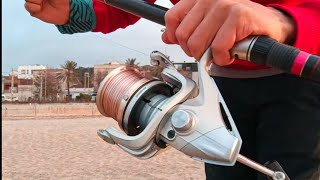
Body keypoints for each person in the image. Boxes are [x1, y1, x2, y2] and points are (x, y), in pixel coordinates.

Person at [25, 0, 320, 179]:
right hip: (219, 86)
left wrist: (285, 21)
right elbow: (118, 7)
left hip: (300, 77)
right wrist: (75, 9)